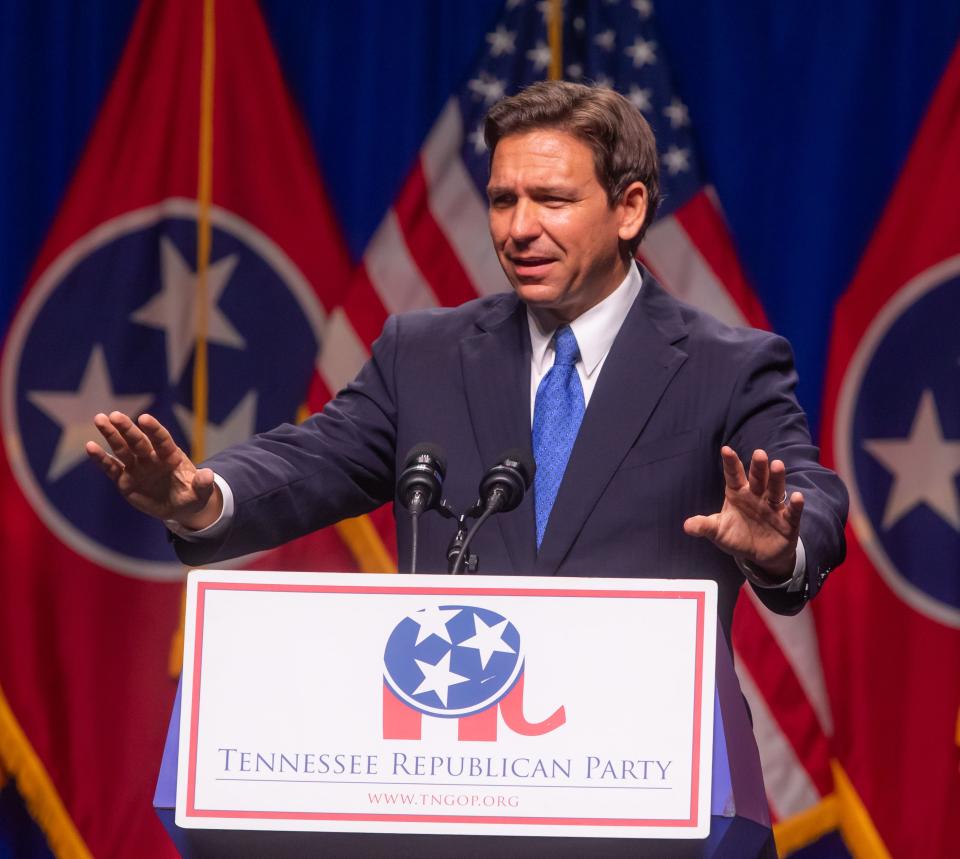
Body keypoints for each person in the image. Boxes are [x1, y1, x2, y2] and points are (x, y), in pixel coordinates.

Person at [86, 81, 847, 638]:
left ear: (630, 208)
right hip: (464, 770)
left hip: (649, 772)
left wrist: (783, 547)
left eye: (550, 199)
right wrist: (201, 495)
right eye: (501, 199)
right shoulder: (423, 353)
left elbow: (806, 491)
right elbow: (313, 459)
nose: (518, 228)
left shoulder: (727, 366)